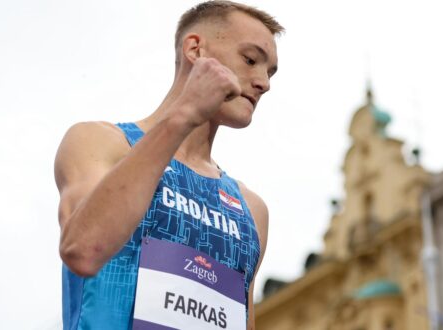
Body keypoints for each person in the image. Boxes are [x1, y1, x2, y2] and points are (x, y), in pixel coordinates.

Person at [54, 1, 284, 329]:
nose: (263, 82)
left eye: (270, 71)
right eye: (250, 60)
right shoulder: (102, 143)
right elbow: (83, 251)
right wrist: (184, 116)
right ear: (195, 49)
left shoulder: (251, 210)